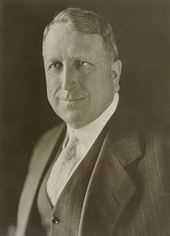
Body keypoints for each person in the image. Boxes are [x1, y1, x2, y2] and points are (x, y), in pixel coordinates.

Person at [14, 7, 170, 236]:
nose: (66, 84)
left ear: (114, 75)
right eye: (55, 65)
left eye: (82, 64)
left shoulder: (162, 159)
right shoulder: (44, 145)